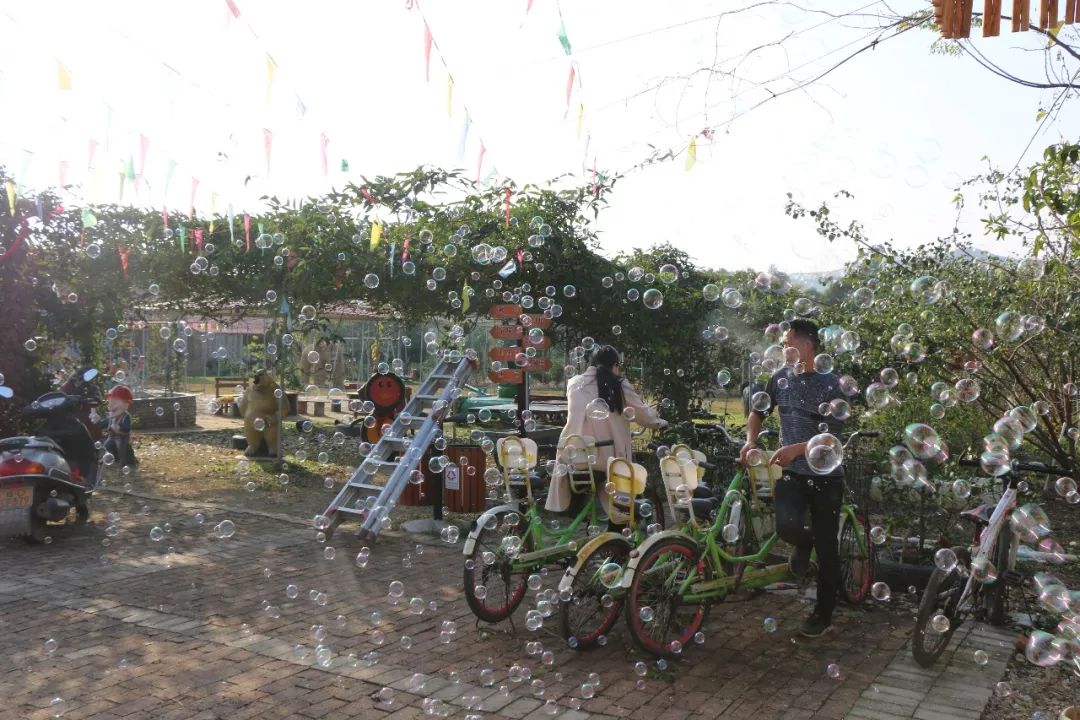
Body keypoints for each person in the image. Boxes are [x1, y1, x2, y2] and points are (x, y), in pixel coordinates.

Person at [739, 320, 846, 638]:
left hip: (826, 476)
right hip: (794, 474)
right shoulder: (780, 378)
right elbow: (758, 413)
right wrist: (750, 441)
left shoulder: (832, 385)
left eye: (787, 342)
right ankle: (804, 542)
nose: (783, 348)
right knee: (786, 526)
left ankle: (822, 614)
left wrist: (796, 449)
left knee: (828, 549)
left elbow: (831, 437)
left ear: (807, 345)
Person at [545, 345, 668, 517]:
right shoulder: (619, 385)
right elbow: (642, 414)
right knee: (621, 501)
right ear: (615, 365)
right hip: (608, 460)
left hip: (574, 456)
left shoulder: (574, 383)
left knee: (588, 483)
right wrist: (660, 422)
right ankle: (618, 527)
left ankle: (577, 514)